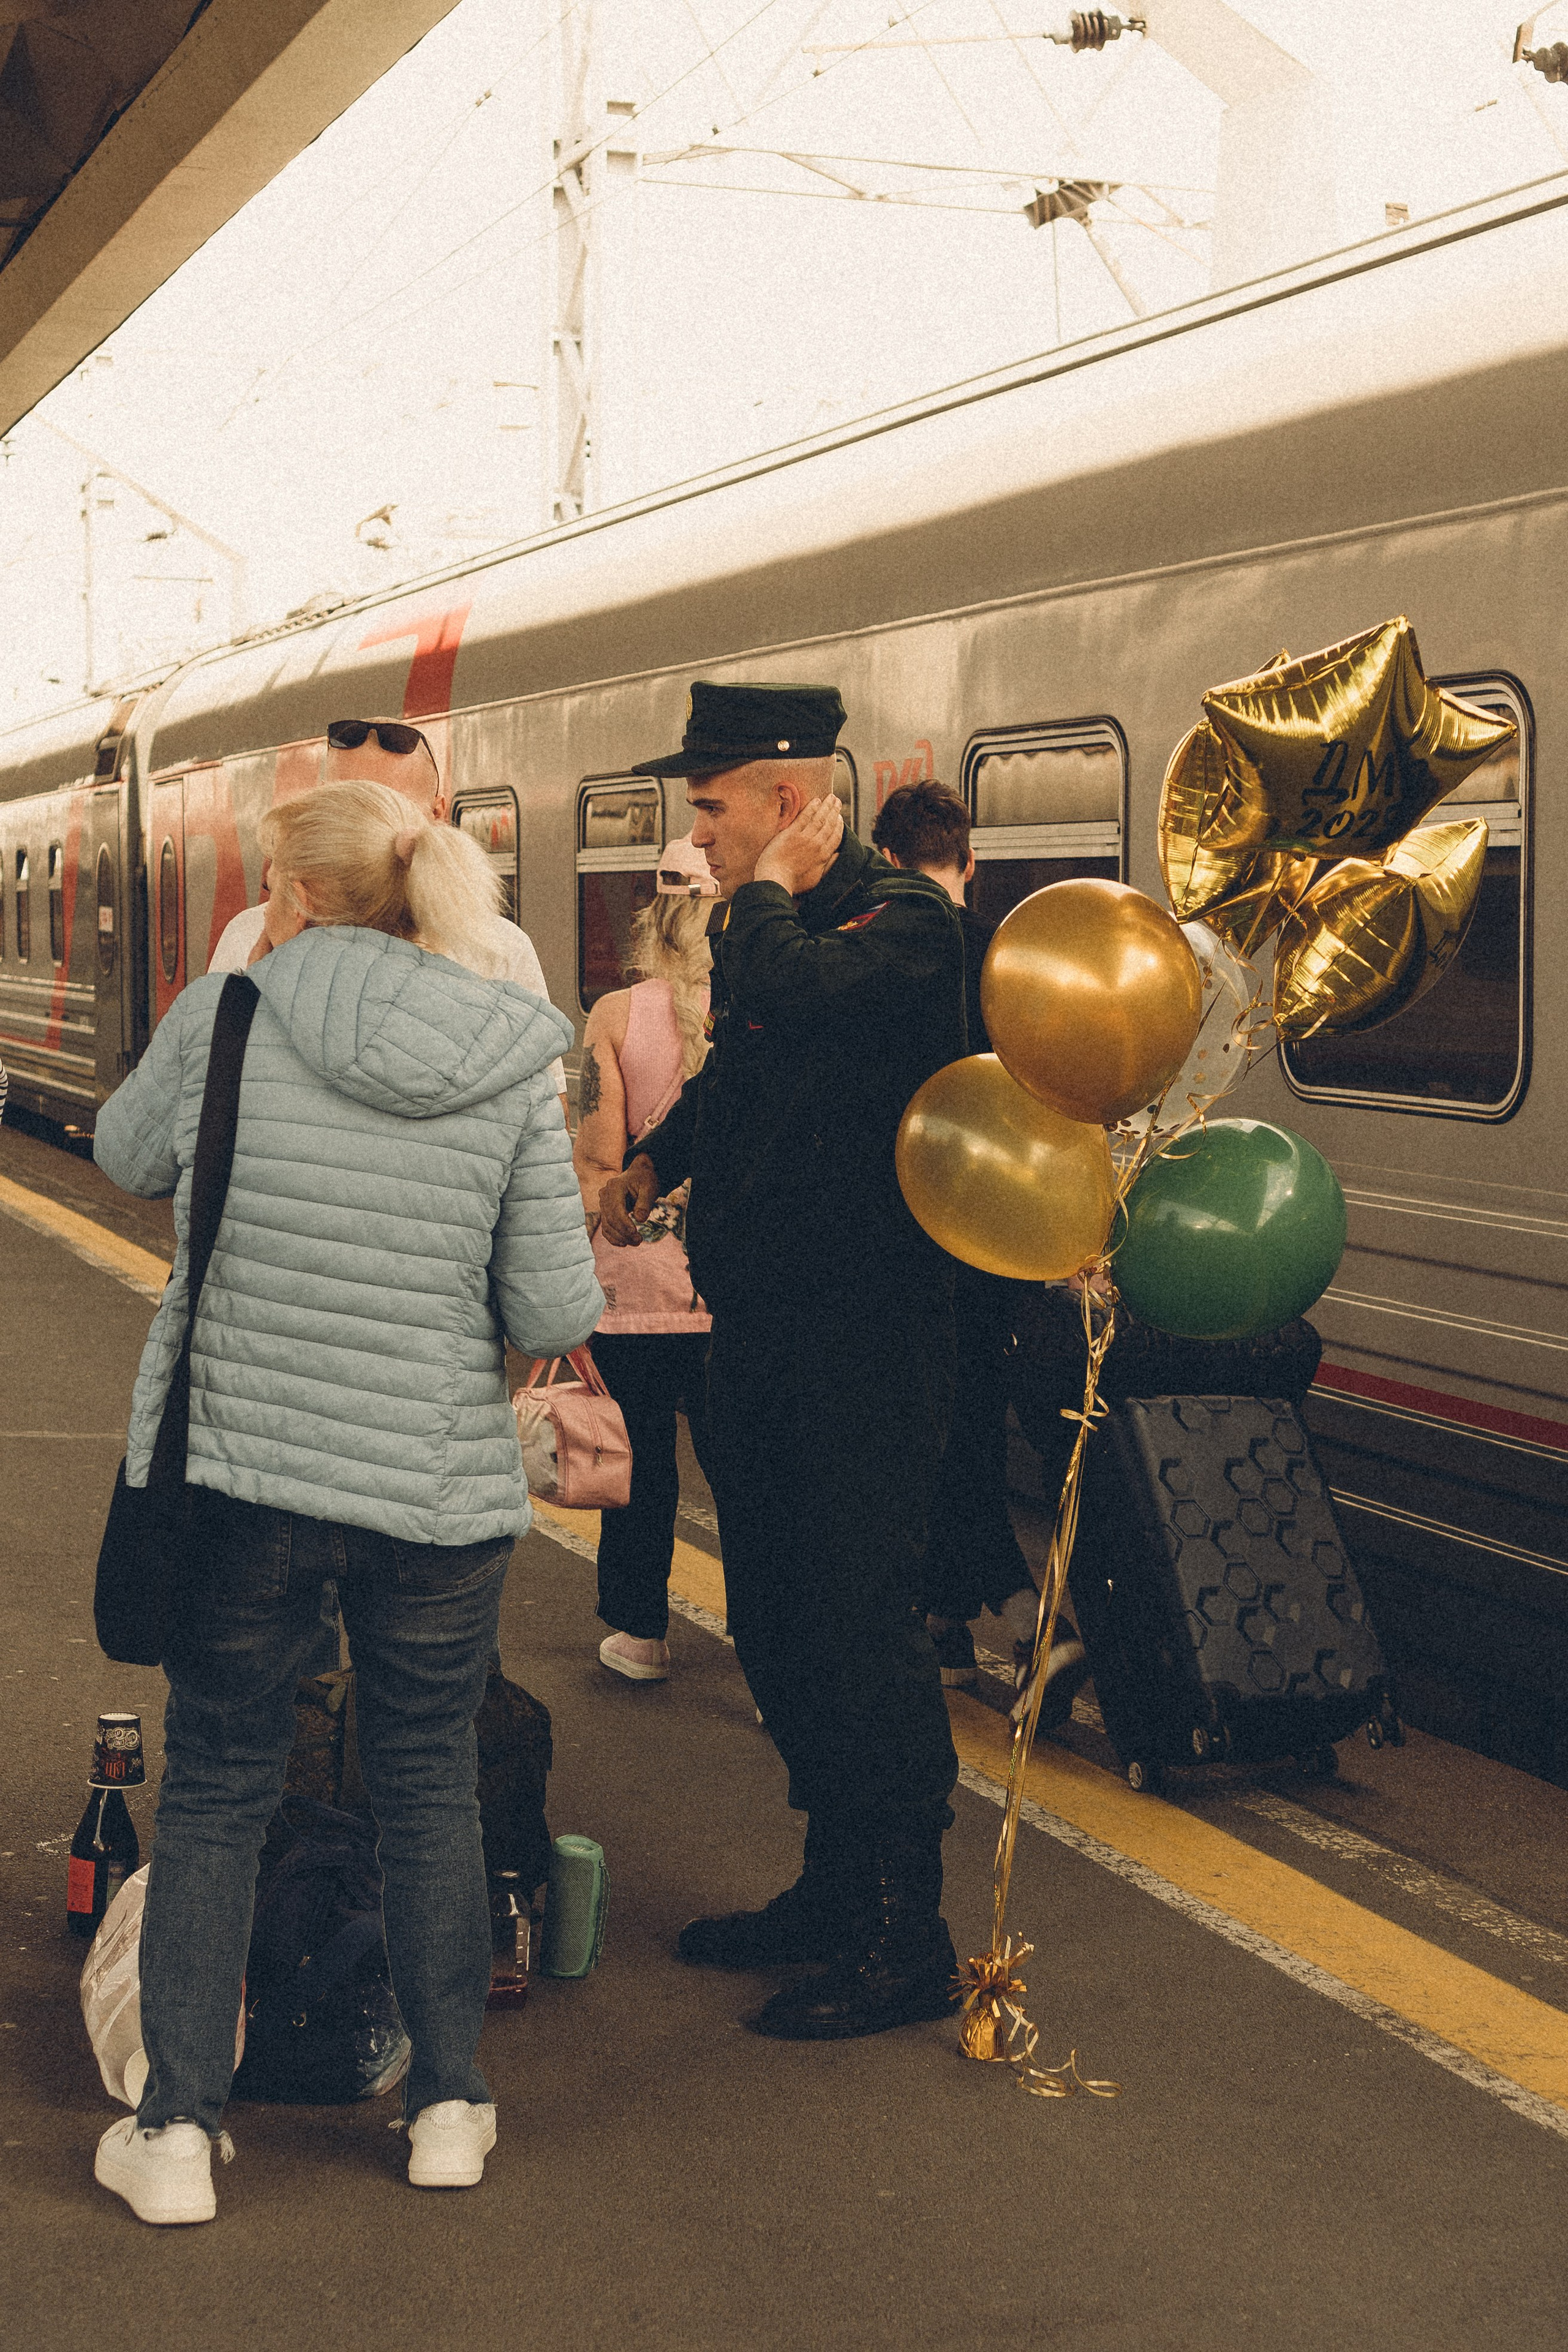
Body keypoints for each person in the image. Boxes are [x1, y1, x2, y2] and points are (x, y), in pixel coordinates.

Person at [91, 778, 601, 2224]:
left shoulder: (227, 1014)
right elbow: (553, 1306)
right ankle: (447, 2107)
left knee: (218, 1788)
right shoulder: (508, 1044)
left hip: (245, 1474)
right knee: (427, 1779)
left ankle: (175, 2135)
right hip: (432, 1490)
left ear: (297, 890)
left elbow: (124, 1155)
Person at [598, 681, 967, 2042]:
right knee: (775, 1612)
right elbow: (743, 1072)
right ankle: (832, 1885)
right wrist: (660, 1156)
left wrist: (758, 899)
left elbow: (793, 999)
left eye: (711, 808)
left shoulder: (904, 926)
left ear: (788, 800)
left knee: (858, 1622)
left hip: (865, 1343)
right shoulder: (781, 929)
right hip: (758, 1330)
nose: (697, 834)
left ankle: (905, 1933)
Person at [872, 780, 1090, 1725]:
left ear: (886, 862)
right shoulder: (1016, 967)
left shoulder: (885, 958)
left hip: (916, 1244)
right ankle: (947, 1630)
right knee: (967, 1433)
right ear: (971, 863)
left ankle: (1030, 1620)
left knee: (935, 1448)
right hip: (1009, 1247)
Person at [209, 715, 567, 1118]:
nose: (365, 830)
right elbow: (549, 1118)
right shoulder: (496, 946)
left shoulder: (502, 949)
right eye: (345, 806)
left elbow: (201, 1109)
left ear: (437, 814)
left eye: (387, 808)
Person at [571, 834, 720, 1681]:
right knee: (749, 1474)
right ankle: (772, 1656)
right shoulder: (761, 1016)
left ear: (653, 916)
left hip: (635, 1290)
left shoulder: (614, 1017)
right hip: (733, 1288)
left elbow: (596, 1163)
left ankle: (640, 1634)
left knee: (644, 1462)